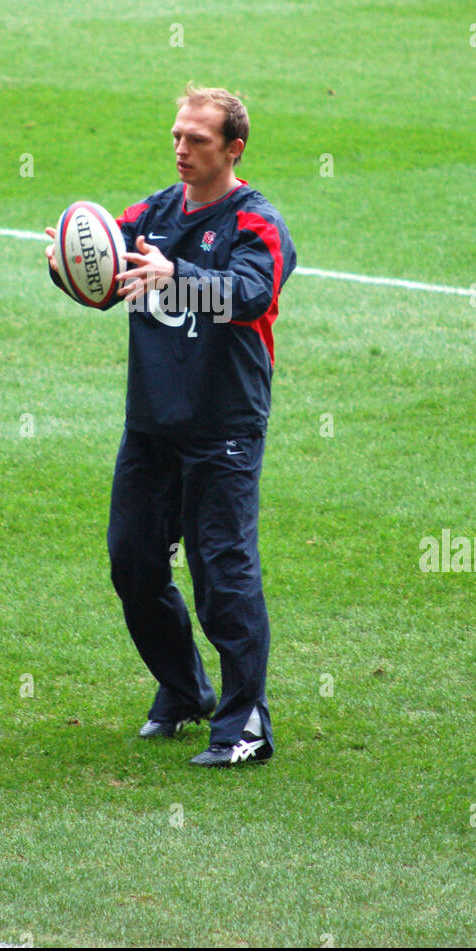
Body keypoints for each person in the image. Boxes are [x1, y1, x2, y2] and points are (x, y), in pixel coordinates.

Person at [45, 85, 297, 767]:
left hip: (223, 428)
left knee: (223, 573)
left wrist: (174, 274)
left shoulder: (257, 224)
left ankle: (246, 726)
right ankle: (184, 690)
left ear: (234, 148)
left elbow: (250, 294)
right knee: (132, 562)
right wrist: (65, 263)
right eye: (177, 137)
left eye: (199, 141)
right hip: (152, 425)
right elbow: (104, 278)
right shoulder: (150, 214)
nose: (182, 150)